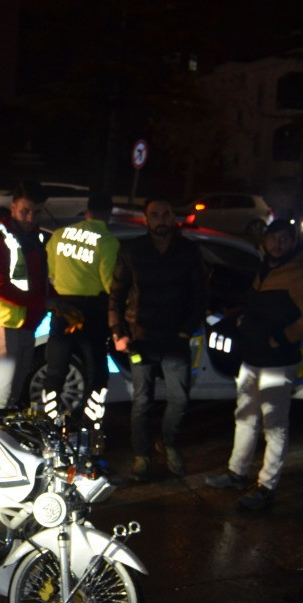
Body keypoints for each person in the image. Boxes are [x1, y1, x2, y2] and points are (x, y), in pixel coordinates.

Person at [204, 217, 303, 509]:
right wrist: (240, 317)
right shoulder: (267, 269)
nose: (277, 244)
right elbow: (258, 304)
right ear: (265, 241)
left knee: (275, 427)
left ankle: (267, 487)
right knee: (244, 418)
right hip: (252, 358)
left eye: (284, 239)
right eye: (273, 238)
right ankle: (236, 473)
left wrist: (281, 338)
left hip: (277, 363)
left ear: (293, 242)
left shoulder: (299, 276)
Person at [109, 199, 209, 481]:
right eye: (155, 215)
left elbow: (200, 296)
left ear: (174, 216)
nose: (161, 219)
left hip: (175, 340)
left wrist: (186, 330)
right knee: (141, 401)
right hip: (140, 339)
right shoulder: (133, 250)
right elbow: (116, 295)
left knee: (179, 399)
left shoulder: (189, 251)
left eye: (166, 213)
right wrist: (118, 333)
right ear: (146, 219)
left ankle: (169, 444)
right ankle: (142, 455)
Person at [42, 193, 120, 421]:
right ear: (108, 214)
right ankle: (90, 423)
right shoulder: (107, 240)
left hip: (62, 309)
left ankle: (51, 421)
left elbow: (52, 274)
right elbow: (109, 284)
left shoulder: (59, 235)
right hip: (93, 310)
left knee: (55, 368)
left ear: (87, 212)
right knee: (97, 370)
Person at [0, 180, 50, 409]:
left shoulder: (34, 239)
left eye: (36, 212)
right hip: (1, 325)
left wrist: (55, 301)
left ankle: (2, 439)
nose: (30, 218)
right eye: (25, 211)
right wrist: (47, 302)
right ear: (13, 207)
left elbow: (38, 282)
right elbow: (1, 288)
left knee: (12, 398)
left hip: (24, 325)